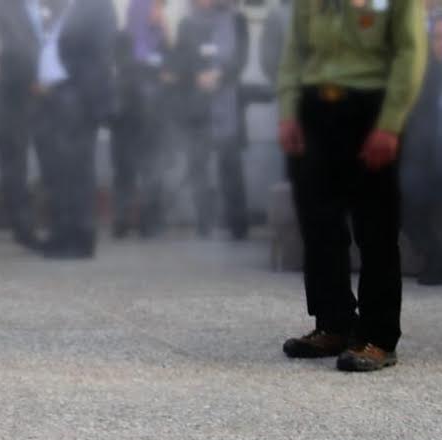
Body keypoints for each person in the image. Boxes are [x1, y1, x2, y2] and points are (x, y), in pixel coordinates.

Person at [277, 0, 425, 371]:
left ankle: (378, 337)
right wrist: (288, 112)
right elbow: (294, 51)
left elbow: (409, 53)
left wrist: (390, 123)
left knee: (375, 226)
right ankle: (334, 323)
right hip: (316, 109)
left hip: (370, 109)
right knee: (318, 223)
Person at [26, 0, 118, 259]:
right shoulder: (63, 7)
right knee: (58, 171)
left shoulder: (98, 6)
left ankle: (79, 238)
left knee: (77, 171)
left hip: (78, 97)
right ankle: (61, 233)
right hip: (54, 96)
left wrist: (84, 94)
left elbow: (100, 55)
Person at [172, 0, 249, 240]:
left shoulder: (237, 20)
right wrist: (197, 75)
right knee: (198, 166)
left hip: (227, 102)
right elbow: (181, 59)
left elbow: (241, 57)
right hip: (197, 105)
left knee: (230, 163)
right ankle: (204, 223)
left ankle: (237, 223)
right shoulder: (186, 23)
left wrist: (221, 74)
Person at [110, 0, 173, 238]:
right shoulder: (122, 38)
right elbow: (125, 69)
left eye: (161, 8)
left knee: (152, 168)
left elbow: (173, 68)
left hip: (153, 117)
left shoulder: (162, 39)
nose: (160, 12)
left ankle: (150, 222)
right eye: (155, 7)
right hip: (127, 115)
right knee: (124, 169)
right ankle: (122, 220)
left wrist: (168, 36)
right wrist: (153, 70)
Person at [0, 0, 43, 249]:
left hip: (41, 95)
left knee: (23, 160)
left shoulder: (47, 6)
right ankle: (22, 226)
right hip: (12, 95)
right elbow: (13, 50)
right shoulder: (4, 6)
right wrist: (33, 77)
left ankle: (27, 224)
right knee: (14, 160)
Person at [400, 18, 442, 286]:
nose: (441, 44)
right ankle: (435, 255)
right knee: (401, 198)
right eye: (437, 38)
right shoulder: (425, 77)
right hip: (427, 161)